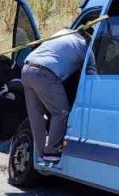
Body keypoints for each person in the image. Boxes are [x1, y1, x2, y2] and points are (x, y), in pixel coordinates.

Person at [21, 28, 90, 166]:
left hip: (26, 69)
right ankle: (52, 151)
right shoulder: (84, 46)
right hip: (45, 74)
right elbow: (89, 70)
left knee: (36, 116)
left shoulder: (62, 33)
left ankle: (41, 155)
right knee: (61, 112)